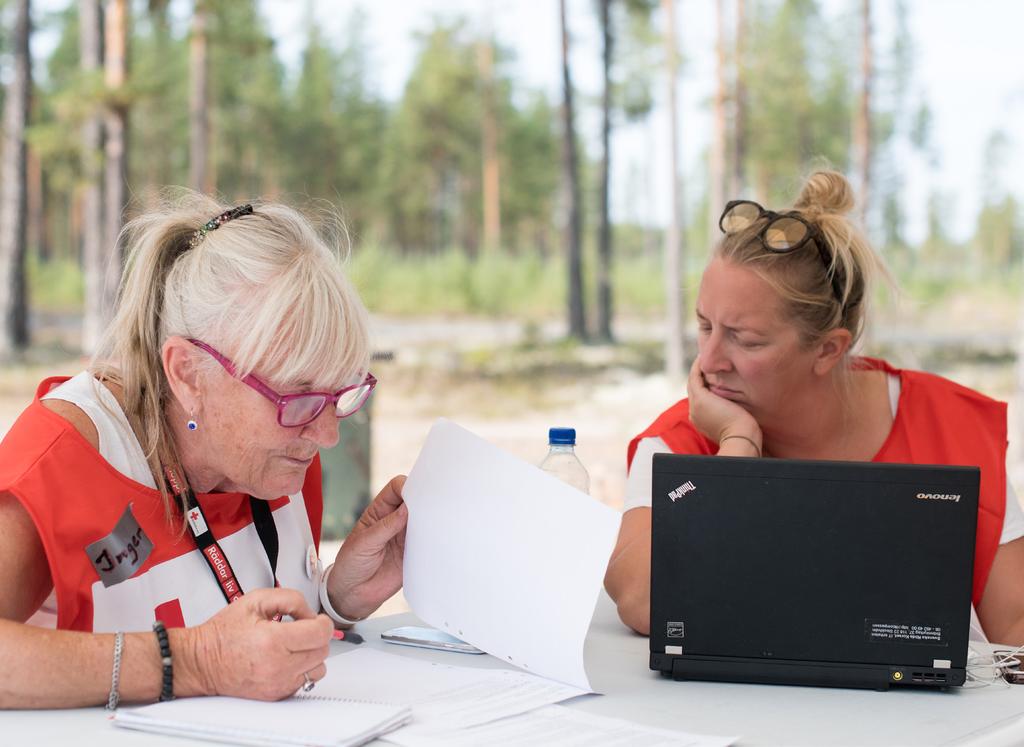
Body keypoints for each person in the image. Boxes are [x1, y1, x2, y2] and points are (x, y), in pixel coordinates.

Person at [0, 195, 408, 708]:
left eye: (338, 394)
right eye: (299, 397)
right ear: (189, 375)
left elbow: (243, 630)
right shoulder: (62, 458)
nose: (328, 434)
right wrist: (198, 661)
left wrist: (337, 600)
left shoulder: (283, 447)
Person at [604, 170, 1024, 645]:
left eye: (745, 339)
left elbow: (1014, 629)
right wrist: (737, 446)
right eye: (705, 326)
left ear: (827, 350)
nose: (710, 360)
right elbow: (642, 601)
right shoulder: (679, 441)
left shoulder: (949, 426)